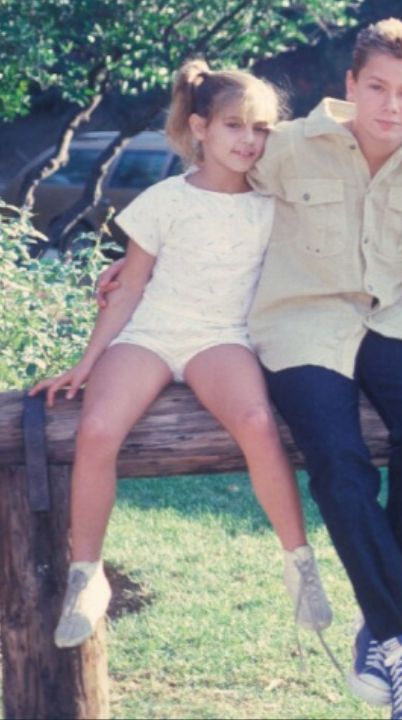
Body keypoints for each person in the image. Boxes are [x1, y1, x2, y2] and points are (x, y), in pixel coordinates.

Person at [30, 61, 332, 650]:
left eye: (262, 129)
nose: (249, 140)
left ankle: (299, 563)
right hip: (150, 333)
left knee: (255, 421)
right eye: (235, 126)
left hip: (220, 337)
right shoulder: (164, 199)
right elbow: (132, 288)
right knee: (95, 428)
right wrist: (89, 361)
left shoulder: (272, 205)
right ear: (200, 128)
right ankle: (86, 576)